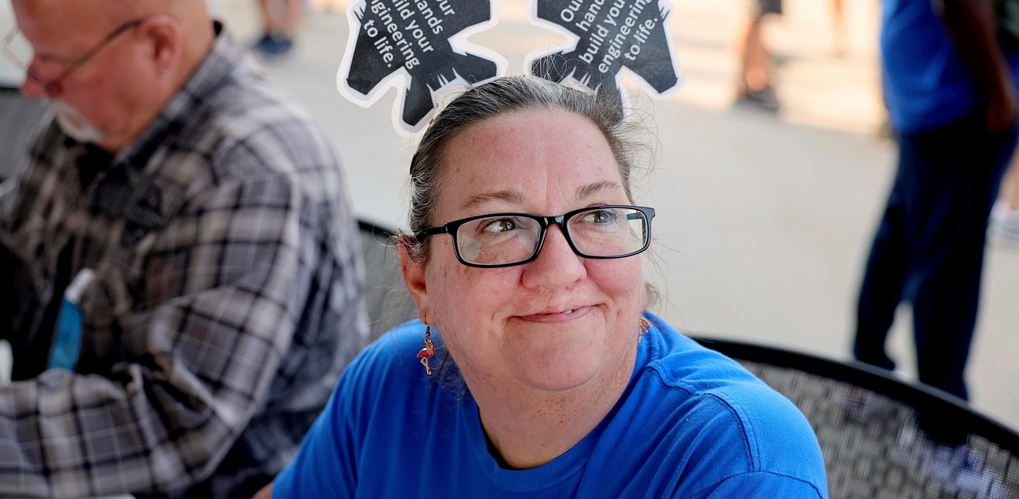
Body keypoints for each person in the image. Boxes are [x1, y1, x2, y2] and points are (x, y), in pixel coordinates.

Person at [252, 76, 829, 498]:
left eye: (598, 215)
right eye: (500, 225)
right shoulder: (389, 388)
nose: (559, 269)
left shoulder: (736, 462)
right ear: (419, 277)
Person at [0, 0, 367, 497]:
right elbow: (11, 248)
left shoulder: (254, 174)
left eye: (56, 61)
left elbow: (164, 425)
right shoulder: (95, 113)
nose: (35, 83)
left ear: (158, 46)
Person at [851, 0, 1019, 473]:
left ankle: (867, 372)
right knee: (948, 260)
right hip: (958, 86)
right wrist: (999, 88)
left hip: (943, 77)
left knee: (910, 222)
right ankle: (938, 430)